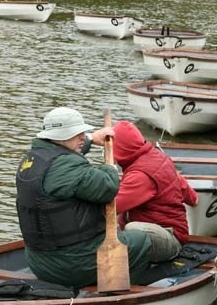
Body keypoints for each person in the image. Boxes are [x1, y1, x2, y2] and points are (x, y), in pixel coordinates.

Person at [16, 107, 152, 288]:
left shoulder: (32, 159)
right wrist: (110, 167)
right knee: (141, 241)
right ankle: (120, 293)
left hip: (38, 262)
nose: (82, 136)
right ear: (61, 135)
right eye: (78, 133)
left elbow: (61, 163)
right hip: (73, 265)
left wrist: (90, 140)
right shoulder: (66, 167)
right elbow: (108, 186)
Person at [113, 120, 198, 261]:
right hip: (171, 230)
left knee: (131, 230)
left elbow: (110, 208)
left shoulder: (140, 175)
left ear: (120, 149)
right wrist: (193, 198)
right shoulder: (156, 156)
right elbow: (180, 183)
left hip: (169, 238)